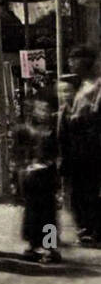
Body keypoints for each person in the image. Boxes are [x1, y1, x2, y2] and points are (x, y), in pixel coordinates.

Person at [60, 46, 101, 247]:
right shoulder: (82, 85)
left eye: (74, 59)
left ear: (86, 61)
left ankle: (91, 229)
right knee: (79, 191)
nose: (70, 63)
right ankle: (85, 227)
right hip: (78, 147)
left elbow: (94, 114)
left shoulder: (98, 85)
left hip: (92, 147)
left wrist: (75, 117)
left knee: (90, 190)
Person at [13, 98, 61, 264]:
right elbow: (19, 155)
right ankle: (33, 245)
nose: (44, 114)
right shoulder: (26, 131)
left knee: (47, 214)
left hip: (45, 177)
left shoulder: (51, 132)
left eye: (46, 111)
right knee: (32, 213)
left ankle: (49, 248)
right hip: (32, 178)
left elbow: (55, 155)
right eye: (41, 110)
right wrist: (25, 168)